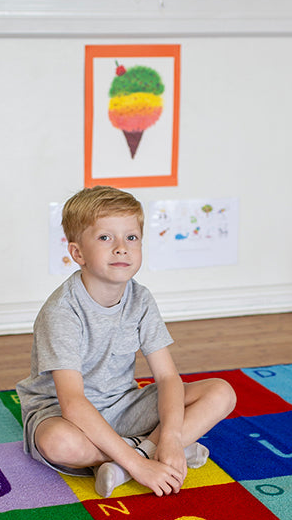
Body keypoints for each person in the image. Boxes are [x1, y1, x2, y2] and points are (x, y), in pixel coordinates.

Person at [16, 185, 236, 498]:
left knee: (221, 392)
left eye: (131, 237)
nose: (121, 248)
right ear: (77, 253)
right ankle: (139, 456)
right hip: (64, 413)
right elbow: (73, 404)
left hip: (123, 403)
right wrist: (139, 465)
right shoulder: (61, 312)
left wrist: (172, 437)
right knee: (58, 442)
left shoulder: (141, 299)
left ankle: (134, 457)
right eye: (106, 238)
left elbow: (167, 376)